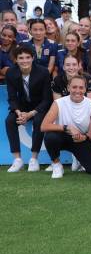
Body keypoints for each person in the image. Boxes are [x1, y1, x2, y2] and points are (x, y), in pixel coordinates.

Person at [41, 75, 91, 178]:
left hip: (79, 139)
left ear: (85, 89)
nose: (77, 90)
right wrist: (67, 127)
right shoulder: (58, 103)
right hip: (61, 136)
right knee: (50, 136)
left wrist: (86, 137)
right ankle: (56, 164)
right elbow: (43, 126)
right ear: (68, 88)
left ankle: (77, 157)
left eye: (81, 87)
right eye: (74, 87)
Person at [5, 45, 52, 173]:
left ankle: (33, 159)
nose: (24, 61)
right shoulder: (11, 72)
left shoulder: (43, 72)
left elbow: (47, 99)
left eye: (27, 57)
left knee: (38, 121)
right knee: (9, 121)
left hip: (40, 105)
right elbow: (12, 97)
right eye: (21, 58)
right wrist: (19, 112)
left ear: (33, 58)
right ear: (16, 59)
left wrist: (31, 114)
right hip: (22, 106)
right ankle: (17, 160)